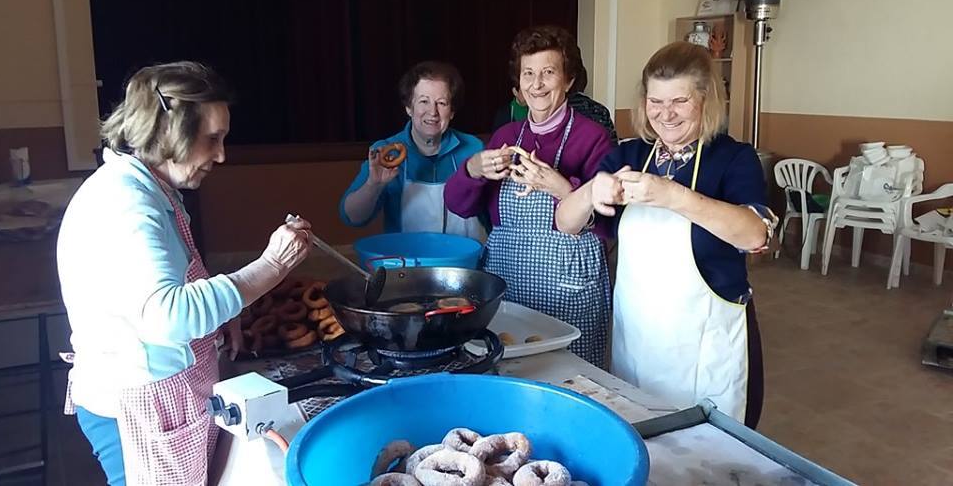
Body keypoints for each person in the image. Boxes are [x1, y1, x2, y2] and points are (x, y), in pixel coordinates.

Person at [56, 62, 313, 485]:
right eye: (212, 138)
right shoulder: (127, 205)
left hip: (163, 397)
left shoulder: (150, 189)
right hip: (135, 410)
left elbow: (158, 289)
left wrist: (220, 314)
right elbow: (169, 316)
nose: (221, 155)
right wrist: (273, 265)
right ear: (170, 130)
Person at [556, 42, 776, 427]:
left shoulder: (733, 158)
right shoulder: (630, 156)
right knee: (643, 434)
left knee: (707, 446)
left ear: (705, 100)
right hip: (638, 338)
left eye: (680, 101)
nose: (665, 113)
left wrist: (674, 196)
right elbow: (565, 222)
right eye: (655, 102)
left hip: (705, 347)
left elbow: (755, 234)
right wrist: (590, 192)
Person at [446, 26, 614, 368]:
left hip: (568, 285)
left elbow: (608, 224)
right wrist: (473, 169)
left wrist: (561, 187)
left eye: (548, 72)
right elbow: (458, 205)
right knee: (509, 369)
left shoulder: (593, 138)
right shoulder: (506, 137)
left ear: (568, 80)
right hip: (509, 278)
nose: (537, 84)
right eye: (528, 73)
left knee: (570, 372)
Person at [340, 61, 486, 241]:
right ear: (409, 107)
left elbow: (492, 211)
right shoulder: (386, 152)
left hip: (464, 257)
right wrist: (373, 184)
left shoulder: (474, 148)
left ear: (452, 111)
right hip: (407, 258)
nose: (433, 112)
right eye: (424, 101)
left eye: (441, 103)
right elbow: (352, 218)